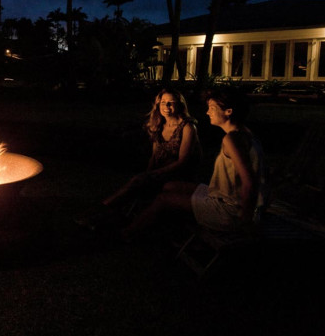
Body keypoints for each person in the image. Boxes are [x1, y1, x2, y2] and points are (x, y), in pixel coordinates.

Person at [121, 87, 265, 240]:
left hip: (229, 210)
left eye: (212, 108)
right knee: (170, 186)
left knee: (163, 199)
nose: (208, 112)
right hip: (224, 196)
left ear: (228, 111)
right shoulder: (245, 133)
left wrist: (245, 222)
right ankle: (162, 225)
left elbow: (249, 182)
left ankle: (126, 234)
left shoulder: (231, 140)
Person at [102, 87, 201, 212]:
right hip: (159, 172)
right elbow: (154, 156)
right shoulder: (159, 125)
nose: (167, 105)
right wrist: (148, 173)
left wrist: (154, 173)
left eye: (171, 102)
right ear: (158, 104)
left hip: (178, 174)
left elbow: (182, 161)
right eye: (163, 102)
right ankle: (107, 211)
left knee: (138, 183)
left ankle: (103, 210)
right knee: (138, 182)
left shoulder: (187, 127)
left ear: (179, 105)